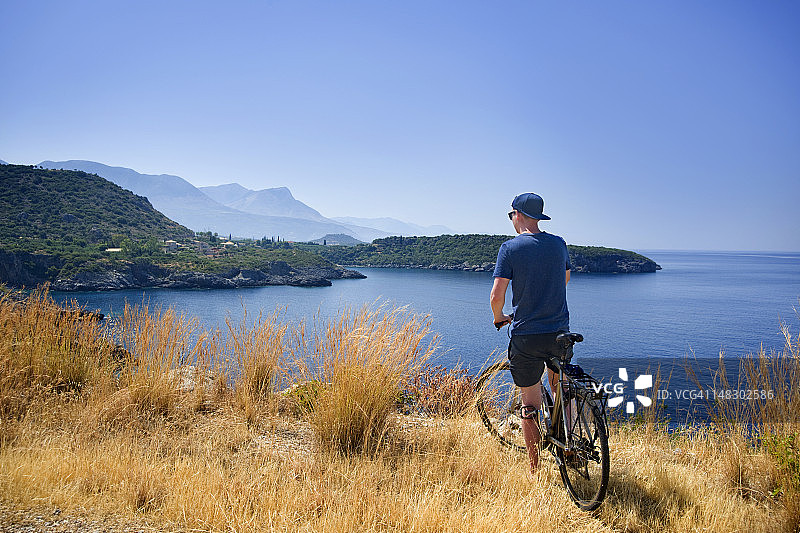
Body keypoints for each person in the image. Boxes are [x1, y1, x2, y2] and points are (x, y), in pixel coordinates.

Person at [490, 192, 571, 475]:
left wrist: (500, 318)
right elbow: (565, 278)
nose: (512, 220)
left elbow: (496, 296)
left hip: (527, 336)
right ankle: (570, 445)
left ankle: (535, 470)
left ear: (519, 215)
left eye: (511, 215)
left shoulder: (510, 249)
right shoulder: (559, 245)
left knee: (530, 403)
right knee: (563, 389)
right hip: (560, 332)